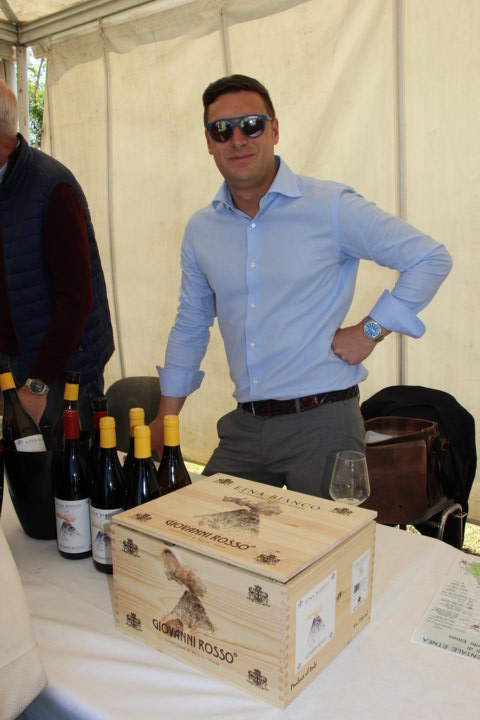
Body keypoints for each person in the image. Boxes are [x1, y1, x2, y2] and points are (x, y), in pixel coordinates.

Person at [150, 74, 452, 497]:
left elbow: (430, 258)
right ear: (208, 142)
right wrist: (165, 419)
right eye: (222, 130)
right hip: (246, 427)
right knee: (207, 528)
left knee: (327, 541)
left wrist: (370, 330)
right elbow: (191, 323)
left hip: (324, 425)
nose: (237, 139)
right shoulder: (202, 229)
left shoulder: (329, 207)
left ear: (274, 130)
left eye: (251, 125)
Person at [0, 80, 114, 436]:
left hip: (58, 373)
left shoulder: (51, 187)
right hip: (12, 365)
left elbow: (76, 299)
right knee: (20, 468)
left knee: (66, 469)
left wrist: (38, 385)